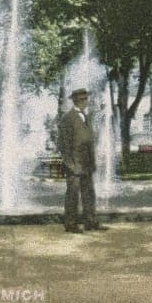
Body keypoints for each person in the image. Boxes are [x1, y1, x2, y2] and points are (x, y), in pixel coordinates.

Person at [56, 88, 107, 234]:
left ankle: (90, 222)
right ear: (78, 101)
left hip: (86, 164)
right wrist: (70, 164)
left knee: (89, 194)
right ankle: (71, 224)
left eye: (86, 99)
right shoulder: (67, 118)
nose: (87, 102)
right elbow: (62, 144)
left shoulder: (86, 117)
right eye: (85, 99)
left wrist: (92, 163)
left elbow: (89, 141)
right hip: (74, 164)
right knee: (72, 194)